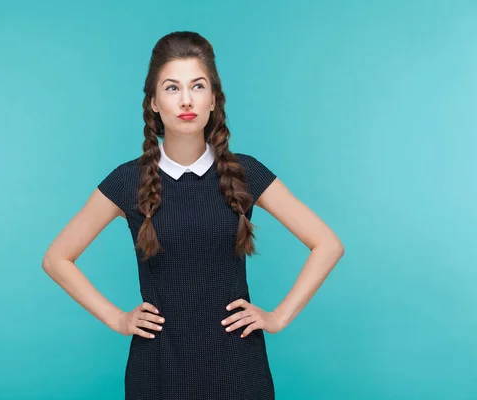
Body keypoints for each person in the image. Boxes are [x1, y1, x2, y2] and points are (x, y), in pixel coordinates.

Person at [42, 31, 345, 400]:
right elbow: (57, 258)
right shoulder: (127, 181)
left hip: (238, 369)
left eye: (197, 86)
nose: (186, 100)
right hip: (157, 370)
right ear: (153, 102)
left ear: (213, 99)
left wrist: (277, 317)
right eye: (172, 88)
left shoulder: (245, 173)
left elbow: (327, 244)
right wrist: (117, 319)